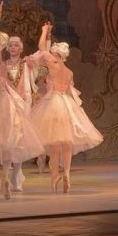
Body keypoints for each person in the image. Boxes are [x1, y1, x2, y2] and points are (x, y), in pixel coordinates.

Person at [31, 22, 103, 193]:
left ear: (56, 54)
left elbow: (41, 47)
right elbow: (71, 94)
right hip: (67, 105)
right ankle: (68, 173)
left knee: (55, 146)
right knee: (67, 142)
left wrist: (44, 31)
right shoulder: (69, 71)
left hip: (54, 104)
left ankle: (55, 175)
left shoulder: (53, 63)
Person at [0, 2, 44, 199]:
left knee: (4, 139)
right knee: (7, 139)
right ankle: (6, 175)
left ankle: (10, 175)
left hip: (13, 101)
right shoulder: (1, 62)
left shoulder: (24, 63)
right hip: (7, 100)